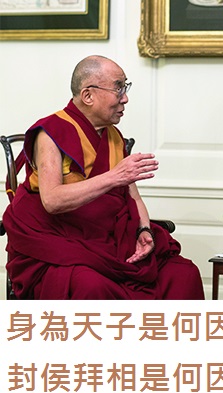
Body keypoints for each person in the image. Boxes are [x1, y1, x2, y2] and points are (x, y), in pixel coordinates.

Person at [2, 55, 205, 300]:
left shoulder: (113, 137)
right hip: (60, 244)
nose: (125, 98)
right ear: (88, 95)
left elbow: (133, 197)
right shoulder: (51, 133)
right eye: (118, 88)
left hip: (107, 241)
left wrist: (144, 231)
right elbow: (52, 201)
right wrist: (114, 176)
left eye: (125, 87)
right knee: (91, 285)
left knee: (184, 273)